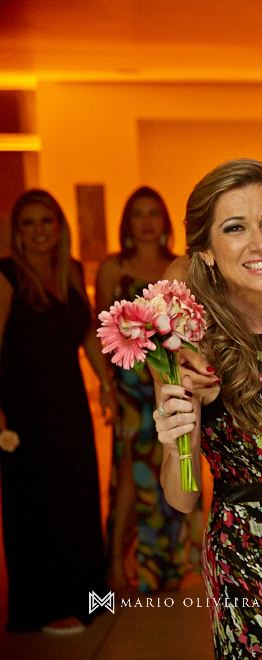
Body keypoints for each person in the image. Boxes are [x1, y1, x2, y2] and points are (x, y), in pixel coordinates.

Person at [154, 159, 262, 658]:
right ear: (205, 251)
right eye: (235, 228)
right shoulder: (194, 344)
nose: (260, 242)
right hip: (249, 559)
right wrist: (173, 444)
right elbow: (183, 499)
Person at [0, 189, 114, 633]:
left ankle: (90, 598)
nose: (39, 231)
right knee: (36, 511)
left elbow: (85, 335)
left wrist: (106, 385)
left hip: (69, 405)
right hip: (24, 412)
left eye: (46, 221)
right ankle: (42, 606)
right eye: (28, 223)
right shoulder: (7, 276)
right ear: (17, 233)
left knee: (80, 501)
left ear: (60, 226)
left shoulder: (71, 271)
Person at [95, 186, 201, 594]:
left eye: (153, 212)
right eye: (137, 213)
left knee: (178, 464)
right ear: (127, 222)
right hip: (131, 390)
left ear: (164, 220)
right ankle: (118, 565)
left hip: (174, 383)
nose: (145, 221)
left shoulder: (180, 268)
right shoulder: (113, 269)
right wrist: (108, 389)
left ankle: (167, 566)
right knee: (130, 476)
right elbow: (103, 334)